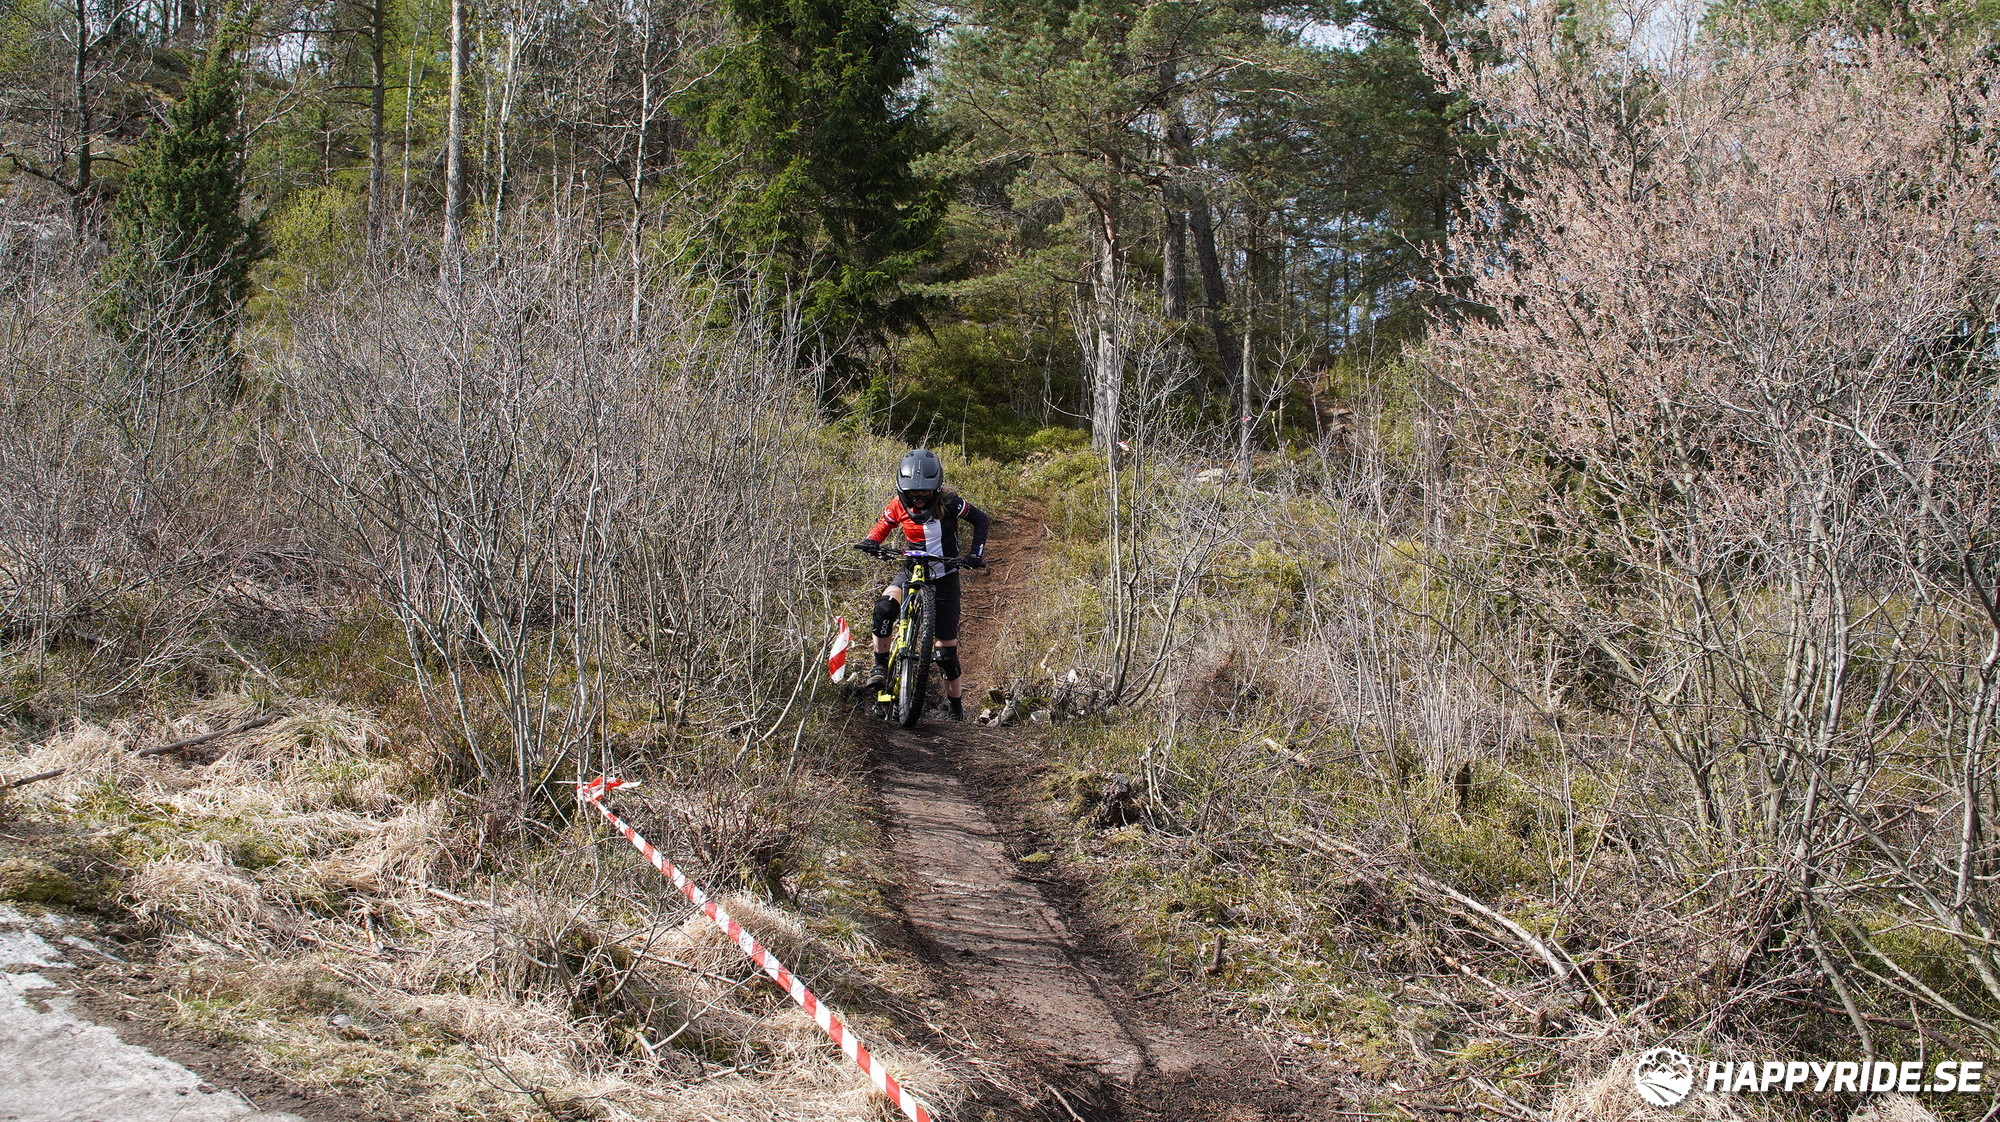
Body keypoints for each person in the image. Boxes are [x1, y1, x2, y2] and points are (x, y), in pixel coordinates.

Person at [854, 449, 989, 720]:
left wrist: (975, 554)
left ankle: (956, 709)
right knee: (884, 607)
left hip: (945, 575)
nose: (918, 497)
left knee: (946, 653)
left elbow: (980, 519)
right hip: (912, 569)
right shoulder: (897, 504)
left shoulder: (950, 502)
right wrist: (872, 541)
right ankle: (879, 666)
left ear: (936, 489)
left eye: (924, 492)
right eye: (912, 493)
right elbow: (884, 524)